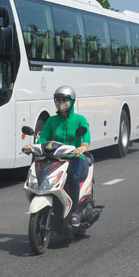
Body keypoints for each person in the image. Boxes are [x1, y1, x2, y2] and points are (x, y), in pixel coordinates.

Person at [22, 86, 90, 227]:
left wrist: (83, 147)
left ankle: (74, 212)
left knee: (73, 176)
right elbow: (43, 139)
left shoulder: (79, 119)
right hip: (55, 158)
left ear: (72, 101)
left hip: (75, 158)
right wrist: (33, 147)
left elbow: (86, 135)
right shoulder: (51, 121)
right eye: (58, 100)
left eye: (64, 100)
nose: (60, 103)